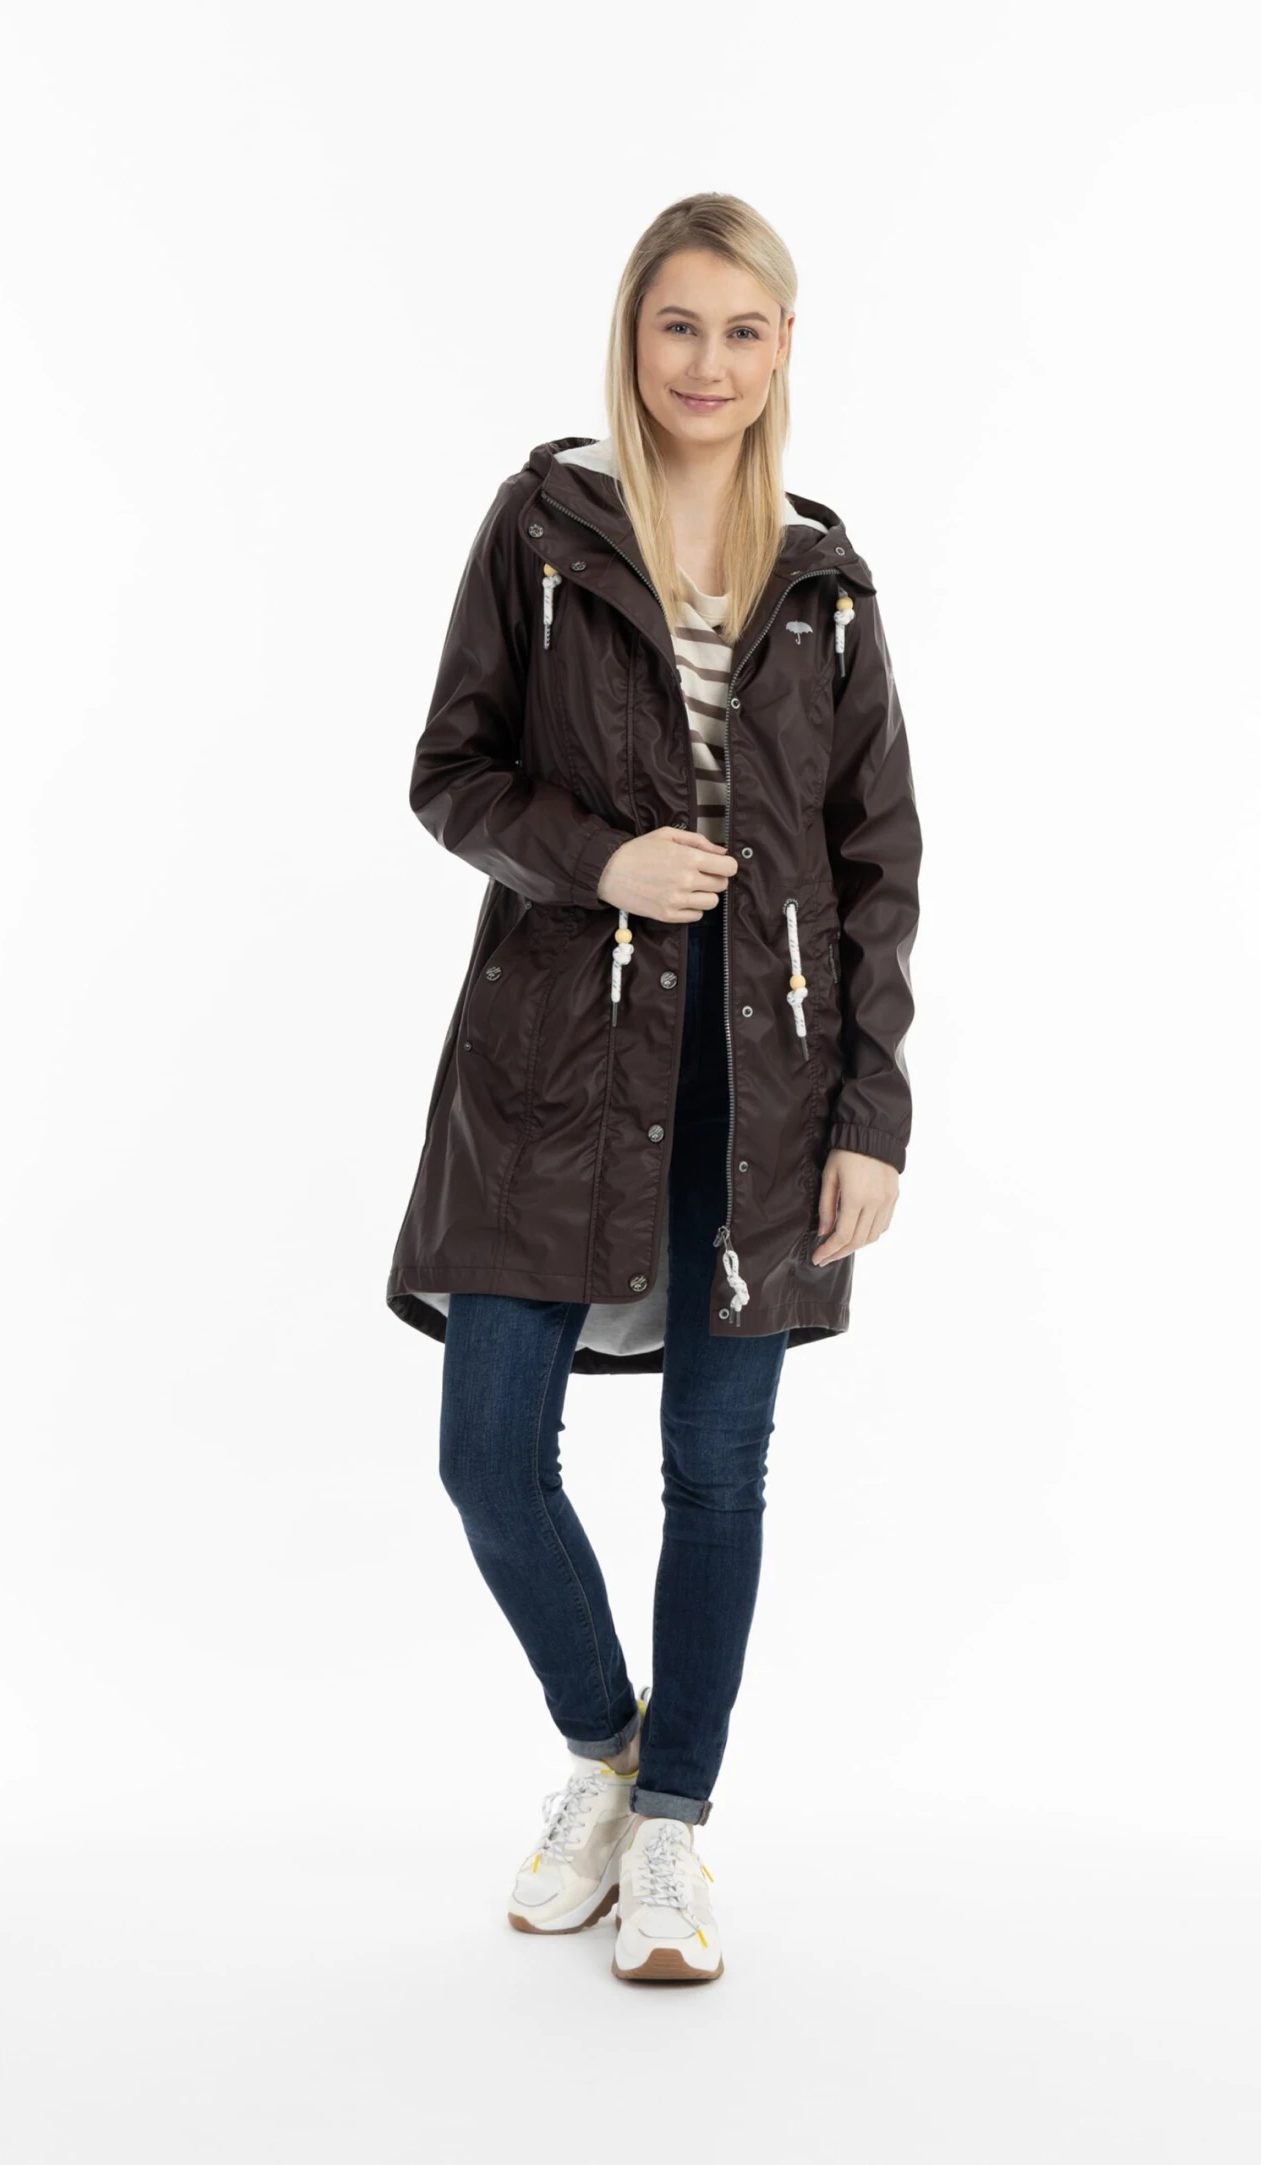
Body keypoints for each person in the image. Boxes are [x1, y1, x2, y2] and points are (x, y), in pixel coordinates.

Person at [386, 192, 922, 1984]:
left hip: (764, 1089)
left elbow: (876, 865)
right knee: (488, 1457)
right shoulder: (543, 526)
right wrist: (600, 860)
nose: (709, 363)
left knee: (719, 1469)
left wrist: (871, 1116)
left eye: (743, 330)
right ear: (633, 334)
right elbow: (451, 773)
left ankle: (674, 1826)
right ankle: (608, 1750)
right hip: (551, 1066)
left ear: (784, 351)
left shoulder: (825, 576)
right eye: (679, 324)